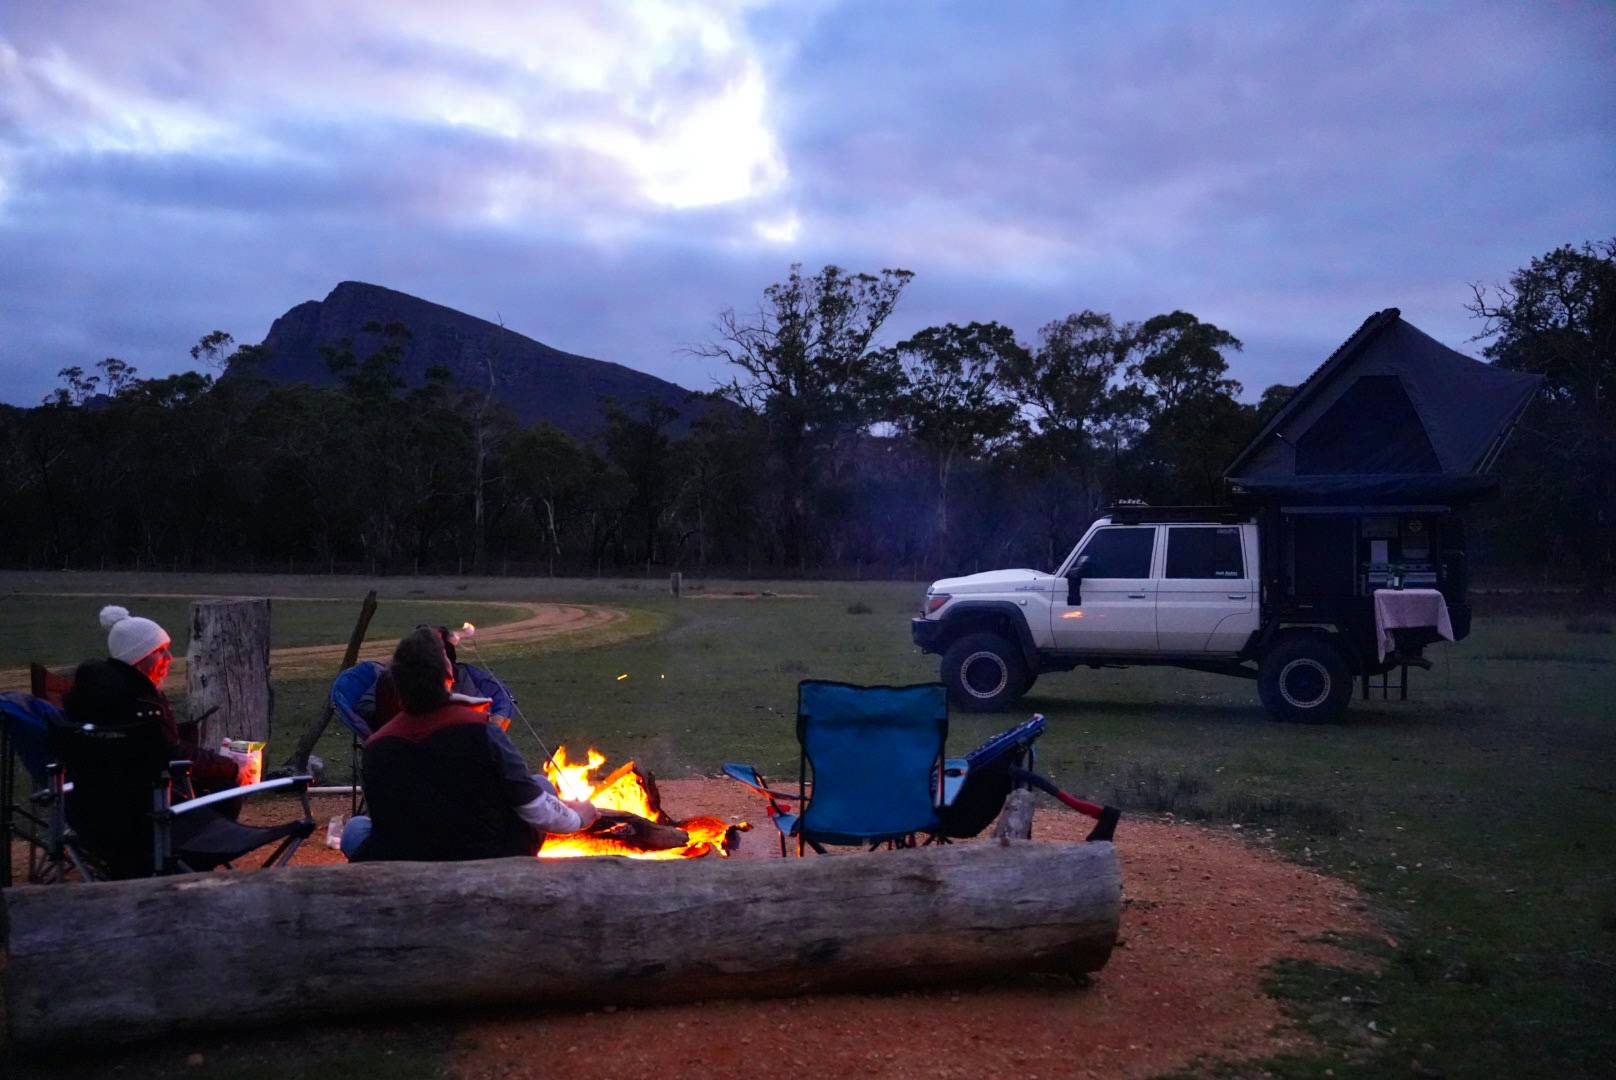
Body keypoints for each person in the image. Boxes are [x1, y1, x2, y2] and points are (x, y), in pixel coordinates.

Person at [342, 627, 597, 861]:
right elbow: (534, 808)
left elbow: (385, 820)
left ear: (395, 686)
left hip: (405, 858)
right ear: (449, 675)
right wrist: (578, 818)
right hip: (484, 855)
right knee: (541, 786)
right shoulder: (482, 731)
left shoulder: (377, 747)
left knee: (355, 829)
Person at [89, 604, 243, 795]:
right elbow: (170, 754)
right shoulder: (141, 704)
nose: (169, 657)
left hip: (97, 801)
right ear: (137, 658)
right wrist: (229, 766)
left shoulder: (97, 695)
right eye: (160, 650)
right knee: (227, 789)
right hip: (148, 800)